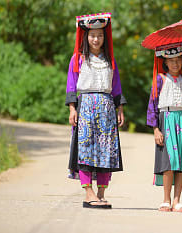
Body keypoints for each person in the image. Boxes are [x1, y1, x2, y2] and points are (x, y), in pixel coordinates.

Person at [65, 12, 126, 209]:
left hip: (107, 108)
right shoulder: (78, 58)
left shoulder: (111, 60)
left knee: (105, 150)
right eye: (92, 35)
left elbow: (116, 87)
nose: (96, 39)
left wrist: (120, 109)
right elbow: (71, 86)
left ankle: (100, 192)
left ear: (104, 37)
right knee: (86, 150)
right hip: (86, 108)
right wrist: (72, 109)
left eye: (100, 35)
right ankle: (88, 192)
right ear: (86, 36)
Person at [147, 41, 182, 213]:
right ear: (165, 62)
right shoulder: (160, 79)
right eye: (171, 60)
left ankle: (177, 200)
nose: (175, 63)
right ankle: (166, 199)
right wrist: (155, 129)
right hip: (166, 119)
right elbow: (152, 104)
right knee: (169, 161)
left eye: (178, 60)